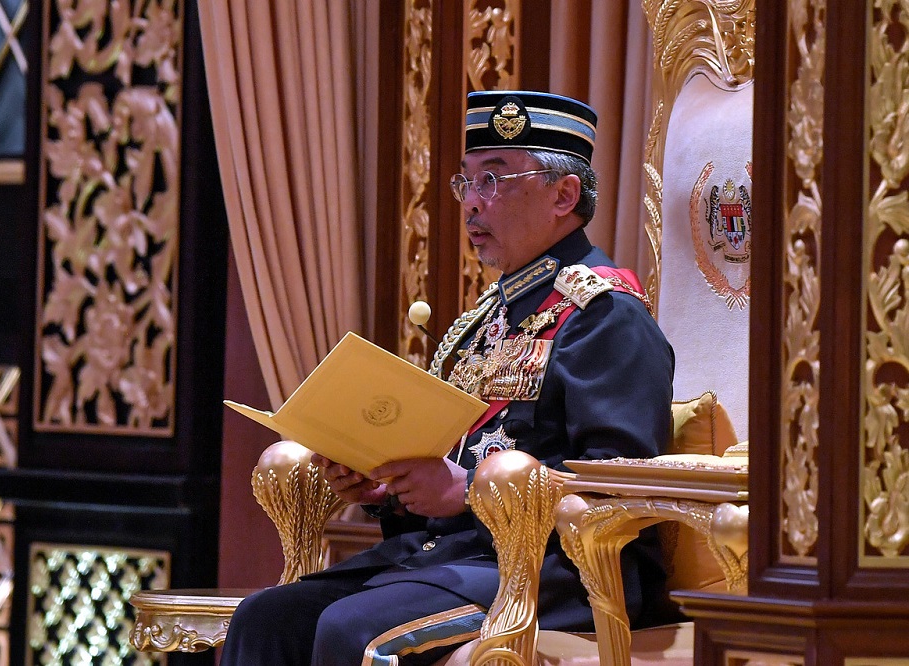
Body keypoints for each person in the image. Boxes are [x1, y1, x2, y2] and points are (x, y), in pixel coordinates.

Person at [219, 90, 675, 665]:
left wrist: (464, 493)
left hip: (551, 572)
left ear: (563, 195)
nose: (471, 204)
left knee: (350, 630)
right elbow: (442, 465)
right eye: (467, 183)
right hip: (452, 555)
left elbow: (619, 493)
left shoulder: (606, 315)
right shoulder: (481, 321)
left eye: (495, 179)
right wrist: (389, 489)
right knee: (266, 619)